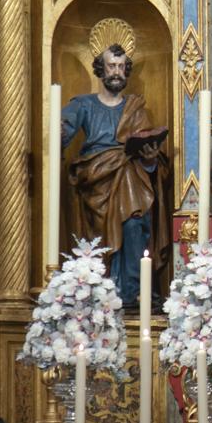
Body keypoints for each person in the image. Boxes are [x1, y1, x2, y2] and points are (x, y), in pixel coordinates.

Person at [62, 42, 170, 302]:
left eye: (121, 67)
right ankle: (104, 289)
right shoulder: (84, 105)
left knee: (134, 223)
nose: (117, 72)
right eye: (111, 66)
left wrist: (149, 160)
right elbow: (62, 130)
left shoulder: (135, 108)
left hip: (131, 178)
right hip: (97, 180)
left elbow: (149, 162)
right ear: (100, 69)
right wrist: (59, 132)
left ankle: (132, 292)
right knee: (102, 240)